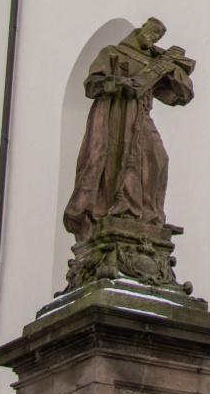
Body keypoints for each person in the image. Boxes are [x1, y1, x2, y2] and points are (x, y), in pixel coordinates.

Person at [64, 17, 194, 243]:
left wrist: (171, 68)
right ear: (141, 29)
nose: (153, 38)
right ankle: (121, 209)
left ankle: (150, 215)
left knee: (157, 158)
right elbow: (92, 84)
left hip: (141, 113)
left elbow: (180, 95)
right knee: (121, 156)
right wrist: (118, 83)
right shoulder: (113, 53)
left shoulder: (154, 62)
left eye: (157, 37)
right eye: (151, 33)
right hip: (116, 115)